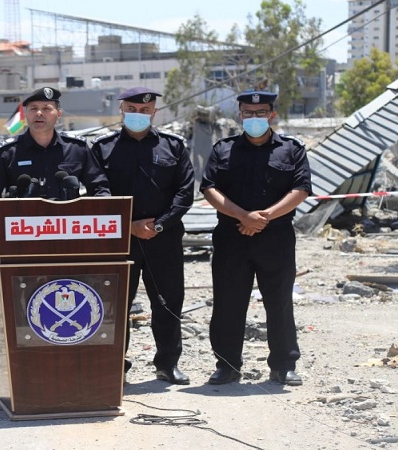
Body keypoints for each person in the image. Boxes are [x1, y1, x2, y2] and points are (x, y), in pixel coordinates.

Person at [201, 90, 312, 386]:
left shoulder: (291, 149)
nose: (254, 117)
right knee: (228, 302)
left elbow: (301, 189)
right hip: (231, 237)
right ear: (240, 115)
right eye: (248, 113)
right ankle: (227, 365)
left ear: (272, 115)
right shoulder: (223, 149)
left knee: (279, 302)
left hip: (275, 238)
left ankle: (283, 365)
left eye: (260, 112)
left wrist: (264, 218)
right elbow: (209, 188)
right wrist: (243, 216)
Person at [91, 87, 195, 385]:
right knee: (115, 304)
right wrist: (128, 225)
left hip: (164, 239)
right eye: (132, 109)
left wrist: (159, 225)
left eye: (145, 110)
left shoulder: (173, 146)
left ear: (154, 113)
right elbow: (98, 191)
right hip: (118, 240)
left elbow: (184, 193)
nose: (138, 114)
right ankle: (115, 366)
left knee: (168, 302)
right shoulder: (102, 148)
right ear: (121, 110)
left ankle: (167, 364)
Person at [0, 87, 110, 222]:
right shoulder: (7, 152)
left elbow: (99, 186)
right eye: (33, 108)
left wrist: (104, 207)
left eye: (46, 108)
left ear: (59, 113)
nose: (39, 113)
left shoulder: (76, 148)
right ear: (26, 113)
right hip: (21, 226)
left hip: (68, 225)